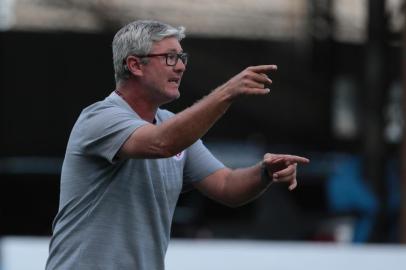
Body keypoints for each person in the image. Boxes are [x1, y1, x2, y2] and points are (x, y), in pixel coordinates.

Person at [46, 20, 309, 270]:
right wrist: (226, 92)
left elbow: (227, 186)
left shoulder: (170, 125)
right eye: (170, 57)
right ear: (135, 65)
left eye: (182, 58)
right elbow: (161, 143)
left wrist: (265, 172)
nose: (181, 67)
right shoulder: (100, 117)